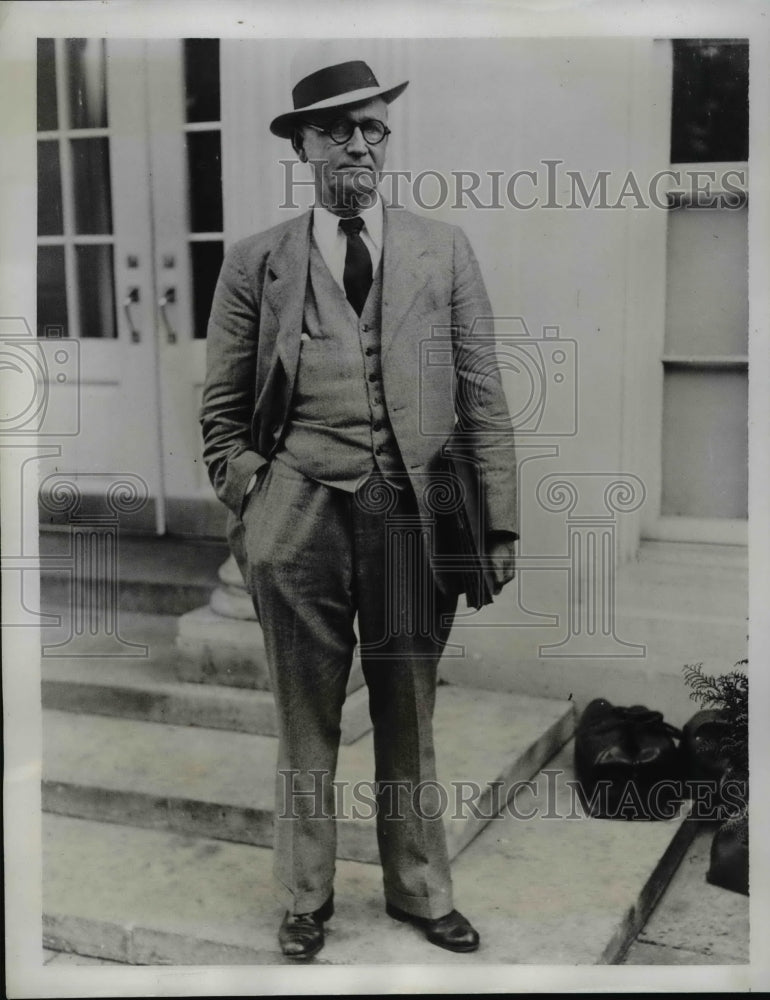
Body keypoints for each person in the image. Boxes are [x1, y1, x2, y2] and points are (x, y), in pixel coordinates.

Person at [201, 45, 517, 961]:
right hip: (299, 514)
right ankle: (303, 897)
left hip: (414, 515)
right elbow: (221, 411)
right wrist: (254, 499)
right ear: (302, 144)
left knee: (409, 708)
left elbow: (484, 390)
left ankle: (421, 890)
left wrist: (497, 521)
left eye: (373, 129)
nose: (359, 147)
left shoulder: (441, 248)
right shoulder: (255, 263)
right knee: (305, 717)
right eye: (337, 130)